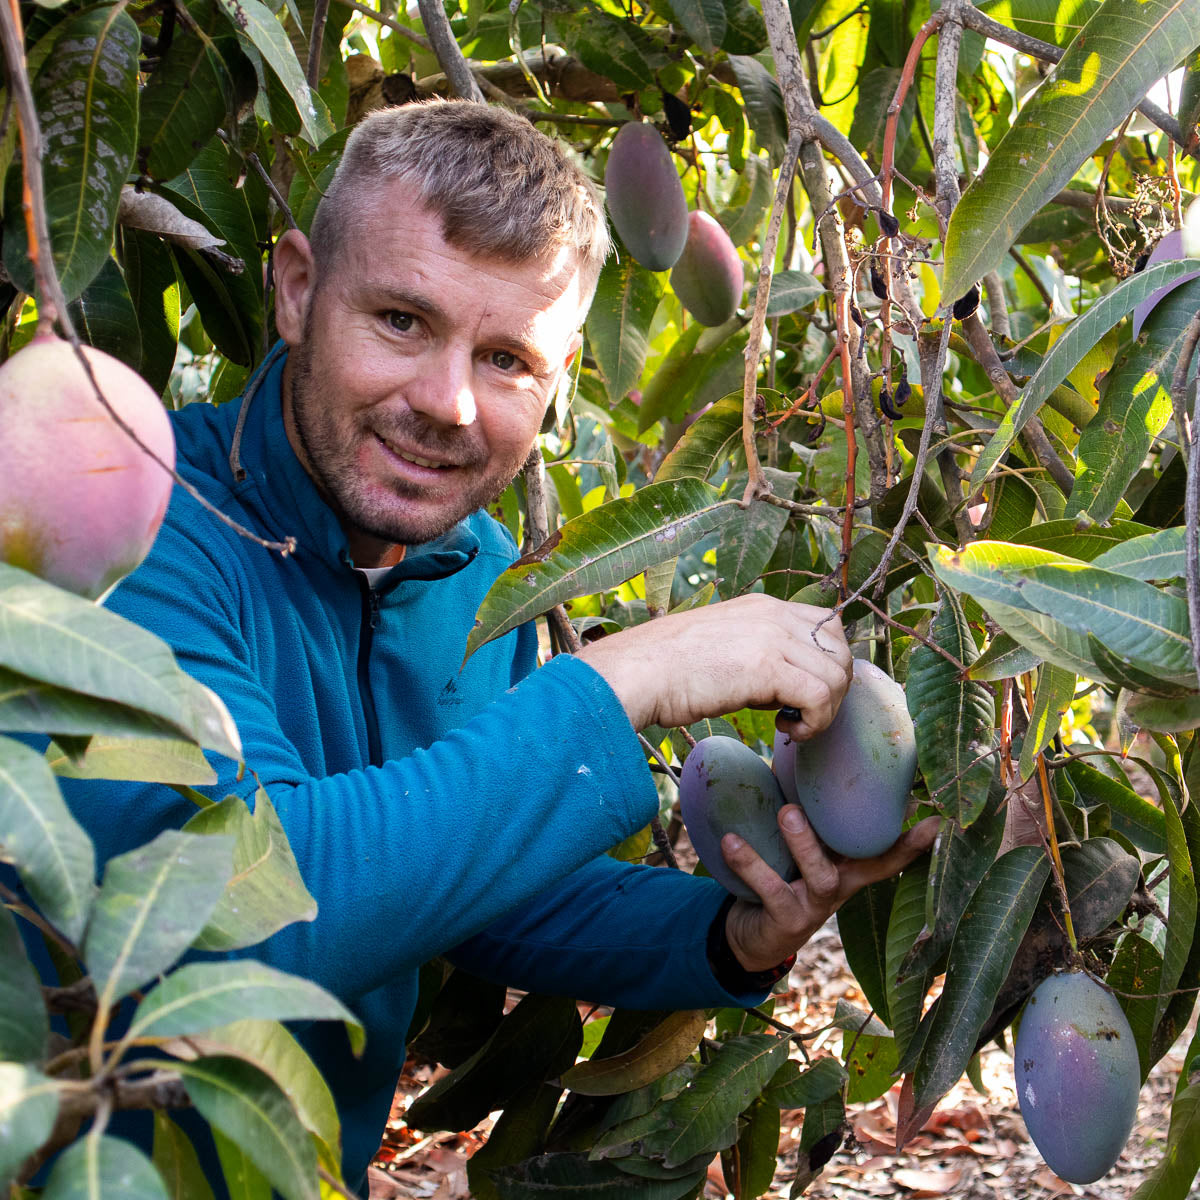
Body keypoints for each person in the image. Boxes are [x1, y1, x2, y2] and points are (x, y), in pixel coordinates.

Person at [58, 99, 938, 1192]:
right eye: (400, 321)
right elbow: (249, 903)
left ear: (560, 380)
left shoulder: (475, 574)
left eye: (509, 359)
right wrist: (624, 681)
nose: (447, 403)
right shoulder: (131, 530)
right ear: (296, 291)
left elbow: (481, 886)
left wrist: (732, 938)